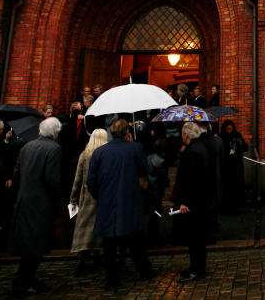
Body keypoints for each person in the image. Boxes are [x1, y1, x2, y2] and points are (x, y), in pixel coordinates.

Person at [87, 119, 155, 290]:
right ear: (127, 133)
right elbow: (144, 171)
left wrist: (101, 197)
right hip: (130, 201)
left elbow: (91, 181)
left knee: (109, 245)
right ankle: (144, 271)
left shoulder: (99, 152)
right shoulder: (135, 148)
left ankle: (111, 279)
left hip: (107, 203)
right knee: (136, 241)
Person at [9, 117, 62, 296]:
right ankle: (22, 282)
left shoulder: (27, 146)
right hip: (41, 203)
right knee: (37, 244)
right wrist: (58, 201)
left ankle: (27, 279)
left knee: (29, 243)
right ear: (55, 132)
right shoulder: (54, 148)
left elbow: (16, 174)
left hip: (24, 200)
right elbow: (52, 178)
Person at [173, 121, 211, 283]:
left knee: (195, 238)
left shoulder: (194, 151)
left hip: (193, 203)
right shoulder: (197, 148)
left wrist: (185, 202)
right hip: (198, 201)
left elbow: (192, 180)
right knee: (195, 238)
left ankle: (197, 270)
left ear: (186, 135)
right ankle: (195, 267)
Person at [70, 128, 109, 274]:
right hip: (102, 196)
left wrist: (73, 199)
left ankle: (82, 258)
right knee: (99, 228)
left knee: (85, 228)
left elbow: (78, 179)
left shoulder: (84, 155)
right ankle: (97, 256)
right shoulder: (106, 155)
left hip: (86, 197)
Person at [219, 119, 248, 213]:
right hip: (226, 165)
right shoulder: (221, 136)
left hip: (236, 165)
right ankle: (227, 207)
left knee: (237, 186)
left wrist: (241, 143)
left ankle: (238, 206)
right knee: (227, 186)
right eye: (227, 129)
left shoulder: (237, 135)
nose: (229, 131)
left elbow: (245, 148)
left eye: (230, 129)